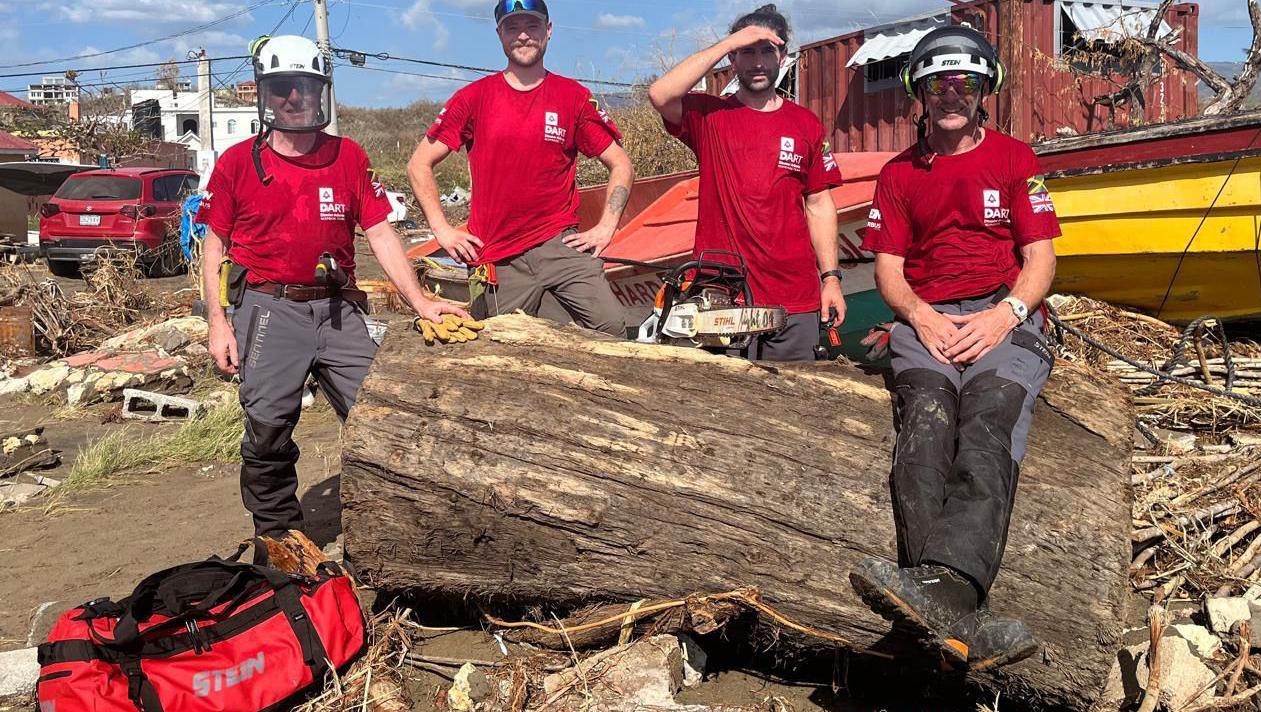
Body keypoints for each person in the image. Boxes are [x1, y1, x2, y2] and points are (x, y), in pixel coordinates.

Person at [200, 35, 469, 555]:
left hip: (338, 309)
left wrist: (421, 301)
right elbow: (214, 244)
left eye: (304, 88)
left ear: (321, 92)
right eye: (281, 89)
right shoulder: (238, 163)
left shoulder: (348, 157)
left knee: (380, 412)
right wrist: (217, 321)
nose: (293, 99)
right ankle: (278, 538)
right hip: (269, 307)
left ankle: (399, 526)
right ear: (264, 94)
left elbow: (383, 234)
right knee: (268, 427)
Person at [847, 25, 1060, 670]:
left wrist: (1005, 316)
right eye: (939, 83)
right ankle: (947, 604)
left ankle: (943, 594)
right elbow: (888, 272)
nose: (951, 95)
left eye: (964, 82)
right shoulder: (899, 174)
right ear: (919, 90)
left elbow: (1040, 260)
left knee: (989, 424)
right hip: (928, 318)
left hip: (1005, 315)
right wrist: (921, 317)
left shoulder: (1016, 160)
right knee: (926, 428)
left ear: (983, 89)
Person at [407, 0, 633, 336]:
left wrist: (606, 226)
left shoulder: (573, 97)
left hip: (559, 244)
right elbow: (418, 165)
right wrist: (442, 230)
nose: (523, 35)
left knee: (612, 327)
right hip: (498, 255)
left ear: (549, 31)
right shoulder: (473, 98)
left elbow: (621, 164)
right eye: (512, 27)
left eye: (532, 26)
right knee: (498, 347)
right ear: (499, 34)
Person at [647, 4, 844, 361]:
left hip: (795, 298)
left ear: (782, 55)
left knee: (799, 404)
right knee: (720, 410)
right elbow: (660, 94)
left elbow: (819, 204)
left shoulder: (806, 124)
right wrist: (728, 42)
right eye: (746, 52)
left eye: (766, 50)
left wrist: (830, 278)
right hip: (721, 297)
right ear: (733, 60)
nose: (757, 62)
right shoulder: (709, 115)